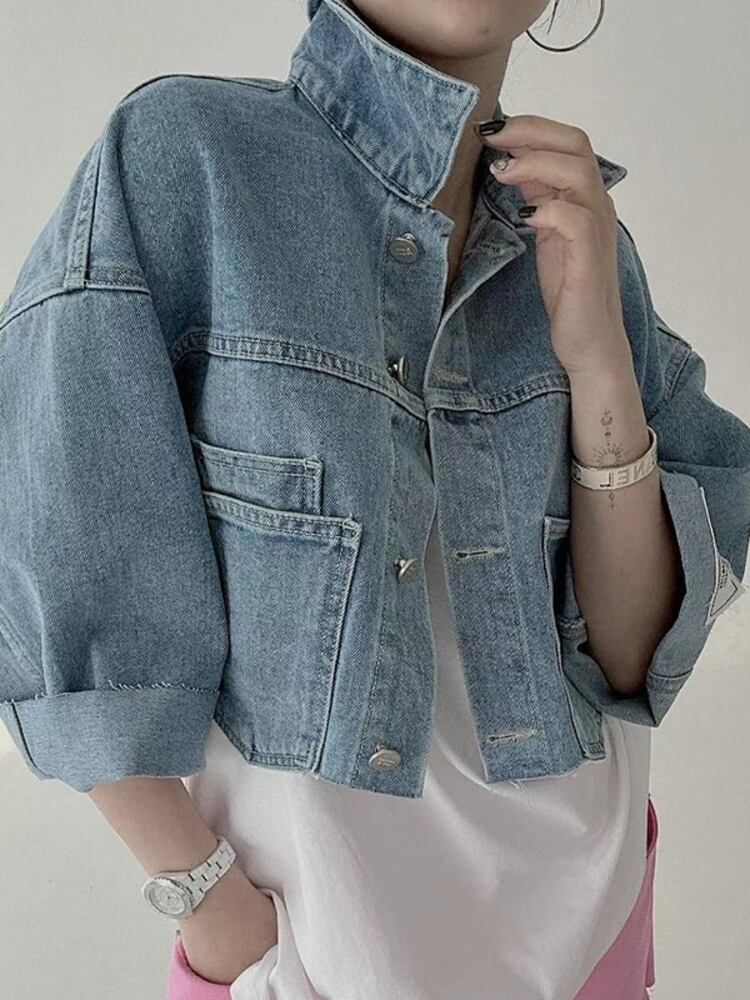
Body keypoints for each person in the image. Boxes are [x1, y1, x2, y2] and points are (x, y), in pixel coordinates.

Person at [1, 1, 748, 998]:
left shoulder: (579, 231)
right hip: (306, 956)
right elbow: (52, 548)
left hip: (592, 928)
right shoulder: (193, 159)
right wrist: (211, 905)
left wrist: (600, 357)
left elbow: (628, 652)